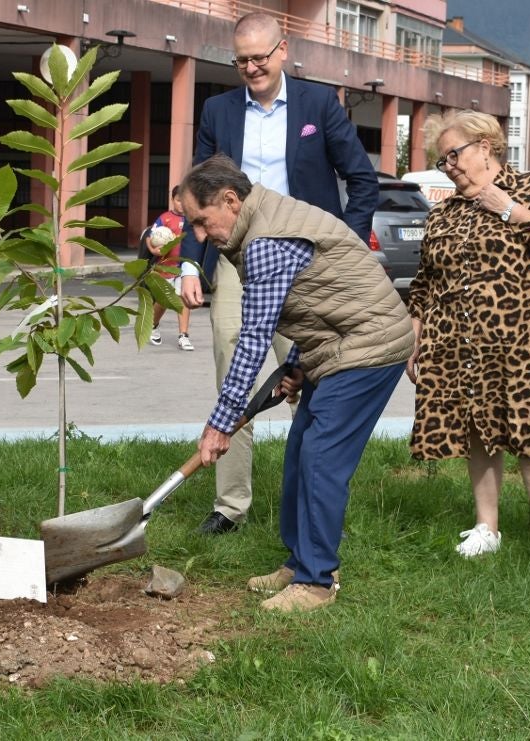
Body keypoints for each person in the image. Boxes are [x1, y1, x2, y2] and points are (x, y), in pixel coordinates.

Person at [182, 154, 412, 612]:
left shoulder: (266, 239)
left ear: (231, 200)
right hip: (338, 341)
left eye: (203, 223)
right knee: (300, 450)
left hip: (369, 346)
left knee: (322, 458)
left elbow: (253, 338)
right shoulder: (261, 219)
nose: (201, 237)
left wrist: (219, 424)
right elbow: (320, 295)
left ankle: (317, 582)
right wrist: (297, 365)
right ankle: (299, 560)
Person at [178, 12, 379, 535]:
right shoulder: (218, 110)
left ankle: (308, 505)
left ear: (283, 49)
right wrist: (188, 263)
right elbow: (195, 193)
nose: (250, 68)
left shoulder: (318, 105)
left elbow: (362, 180)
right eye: (241, 59)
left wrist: (344, 247)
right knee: (235, 375)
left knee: (306, 381)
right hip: (235, 259)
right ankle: (230, 506)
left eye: (259, 58)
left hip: (306, 268)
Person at [406, 110, 530, 570]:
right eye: (443, 161)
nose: (451, 166)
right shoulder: (444, 211)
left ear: (486, 146)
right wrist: (416, 334)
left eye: (454, 154)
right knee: (476, 431)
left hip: (525, 338)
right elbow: (424, 280)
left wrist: (504, 207)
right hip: (458, 341)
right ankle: (487, 527)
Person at [147, 186, 194, 351]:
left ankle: (184, 335)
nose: (181, 204)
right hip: (166, 267)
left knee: (183, 298)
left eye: (184, 201)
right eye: (178, 200)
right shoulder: (165, 218)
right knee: (164, 300)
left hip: (185, 266)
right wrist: (153, 249)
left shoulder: (193, 219)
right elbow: (149, 236)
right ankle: (152, 324)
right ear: (173, 200)